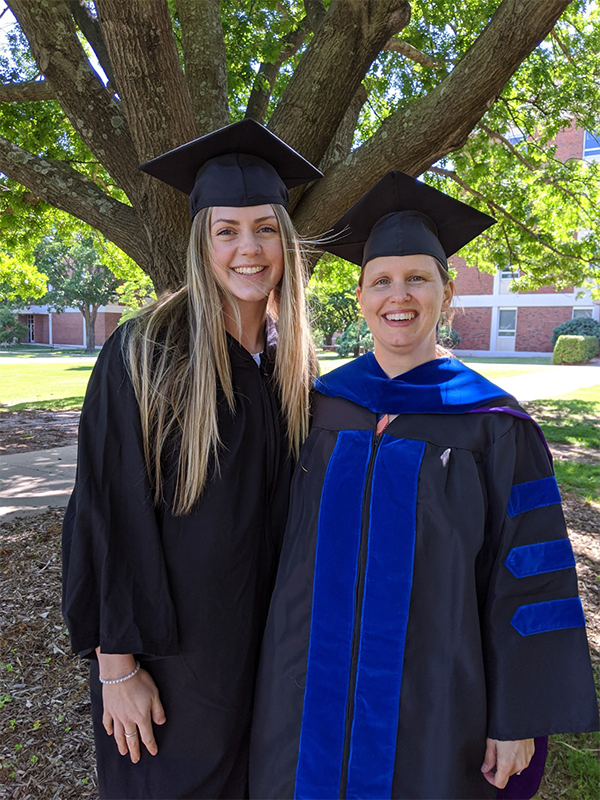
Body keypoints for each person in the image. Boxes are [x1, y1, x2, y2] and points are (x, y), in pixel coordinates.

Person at [249, 171, 598, 800]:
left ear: (447, 291)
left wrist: (517, 716)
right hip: (304, 693)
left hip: (436, 699)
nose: (398, 296)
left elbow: (529, 576)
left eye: (417, 278)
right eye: (381, 280)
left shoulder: (493, 426)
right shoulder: (316, 408)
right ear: (359, 296)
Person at [62, 118, 321, 799]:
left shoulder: (294, 366)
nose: (249, 248)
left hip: (269, 656)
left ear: (286, 243)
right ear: (200, 243)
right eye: (226, 231)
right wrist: (116, 669)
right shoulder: (146, 353)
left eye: (266, 228)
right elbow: (106, 513)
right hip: (174, 664)